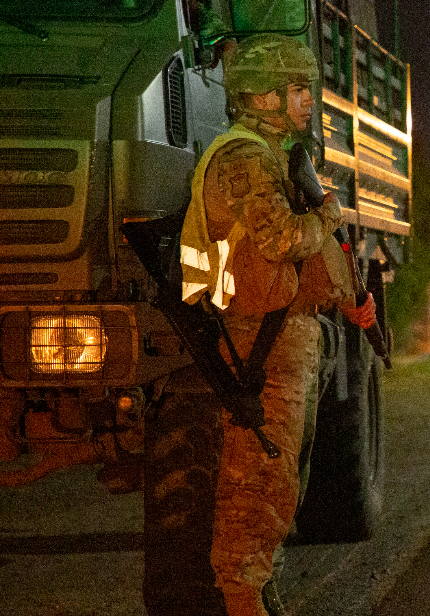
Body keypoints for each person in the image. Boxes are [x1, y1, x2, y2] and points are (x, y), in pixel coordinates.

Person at [178, 33, 376, 616]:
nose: (307, 101)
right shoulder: (242, 159)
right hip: (254, 342)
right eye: (295, 89)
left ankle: (261, 593)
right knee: (256, 487)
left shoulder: (273, 157)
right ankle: (244, 599)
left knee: (282, 481)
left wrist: (344, 295)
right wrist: (327, 215)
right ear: (260, 96)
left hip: (280, 339)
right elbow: (283, 239)